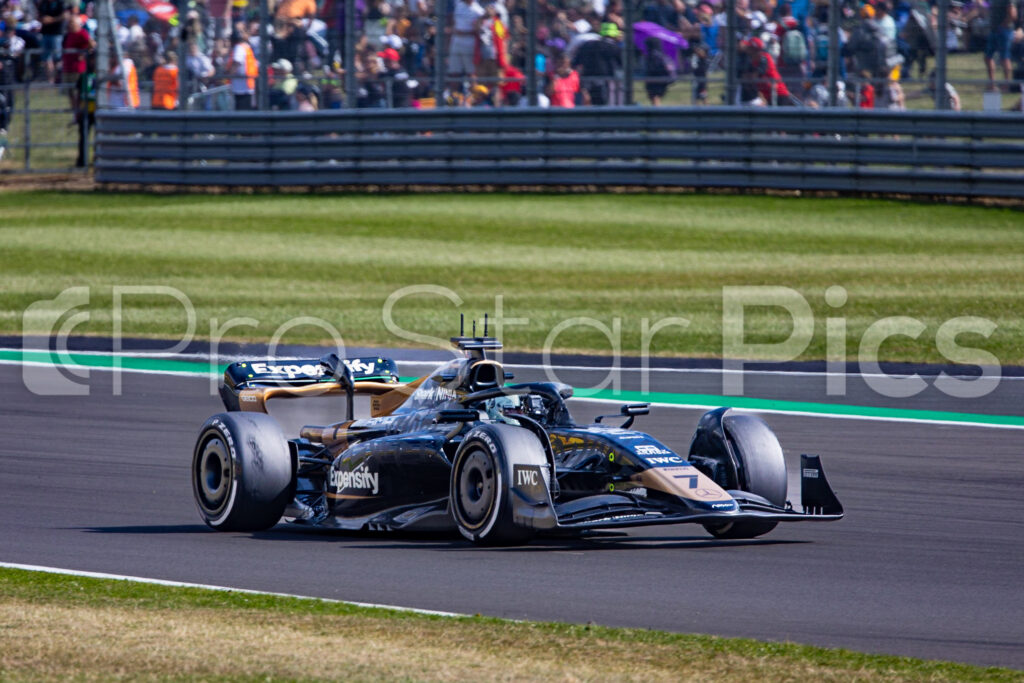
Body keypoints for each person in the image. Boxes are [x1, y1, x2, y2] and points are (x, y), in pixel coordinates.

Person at [572, 22, 622, 105]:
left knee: (587, 103)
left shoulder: (587, 44)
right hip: (606, 80)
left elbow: (576, 62)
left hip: (586, 78)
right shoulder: (614, 48)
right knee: (604, 103)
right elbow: (622, 64)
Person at [61, 14, 92, 113]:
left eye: (72, 23)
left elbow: (91, 44)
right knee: (69, 91)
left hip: (78, 68)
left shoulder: (82, 33)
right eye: (69, 23)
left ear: (78, 24)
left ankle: (79, 110)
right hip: (67, 67)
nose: (69, 25)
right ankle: (74, 109)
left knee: (78, 91)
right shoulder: (68, 35)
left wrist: (83, 54)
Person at [449, 0, 484, 87]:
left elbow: (479, 30)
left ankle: (474, 95)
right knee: (454, 72)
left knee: (471, 72)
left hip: (469, 44)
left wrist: (464, 32)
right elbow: (454, 22)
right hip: (456, 41)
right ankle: (453, 97)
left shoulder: (479, 11)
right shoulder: (459, 5)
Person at [985, 0, 1017, 87]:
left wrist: (1003, 25)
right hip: (994, 31)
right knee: (988, 57)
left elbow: (1013, 13)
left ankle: (1007, 84)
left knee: (1005, 58)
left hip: (1004, 31)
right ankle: (992, 83)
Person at [36, 0, 66, 82]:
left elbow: (65, 16)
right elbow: (39, 15)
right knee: (46, 58)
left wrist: (52, 20)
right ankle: (50, 80)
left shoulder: (60, 3)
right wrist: (42, 19)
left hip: (56, 34)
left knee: (57, 57)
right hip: (45, 33)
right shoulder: (43, 3)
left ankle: (58, 78)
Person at [227, 28, 257, 110]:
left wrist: (229, 75)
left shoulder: (239, 47)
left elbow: (237, 62)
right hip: (248, 85)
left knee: (241, 112)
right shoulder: (246, 47)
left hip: (241, 87)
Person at [641, 36, 674, 105]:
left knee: (655, 97)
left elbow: (651, 68)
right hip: (662, 79)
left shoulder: (653, 55)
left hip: (655, 80)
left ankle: (657, 113)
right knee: (655, 98)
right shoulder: (662, 55)